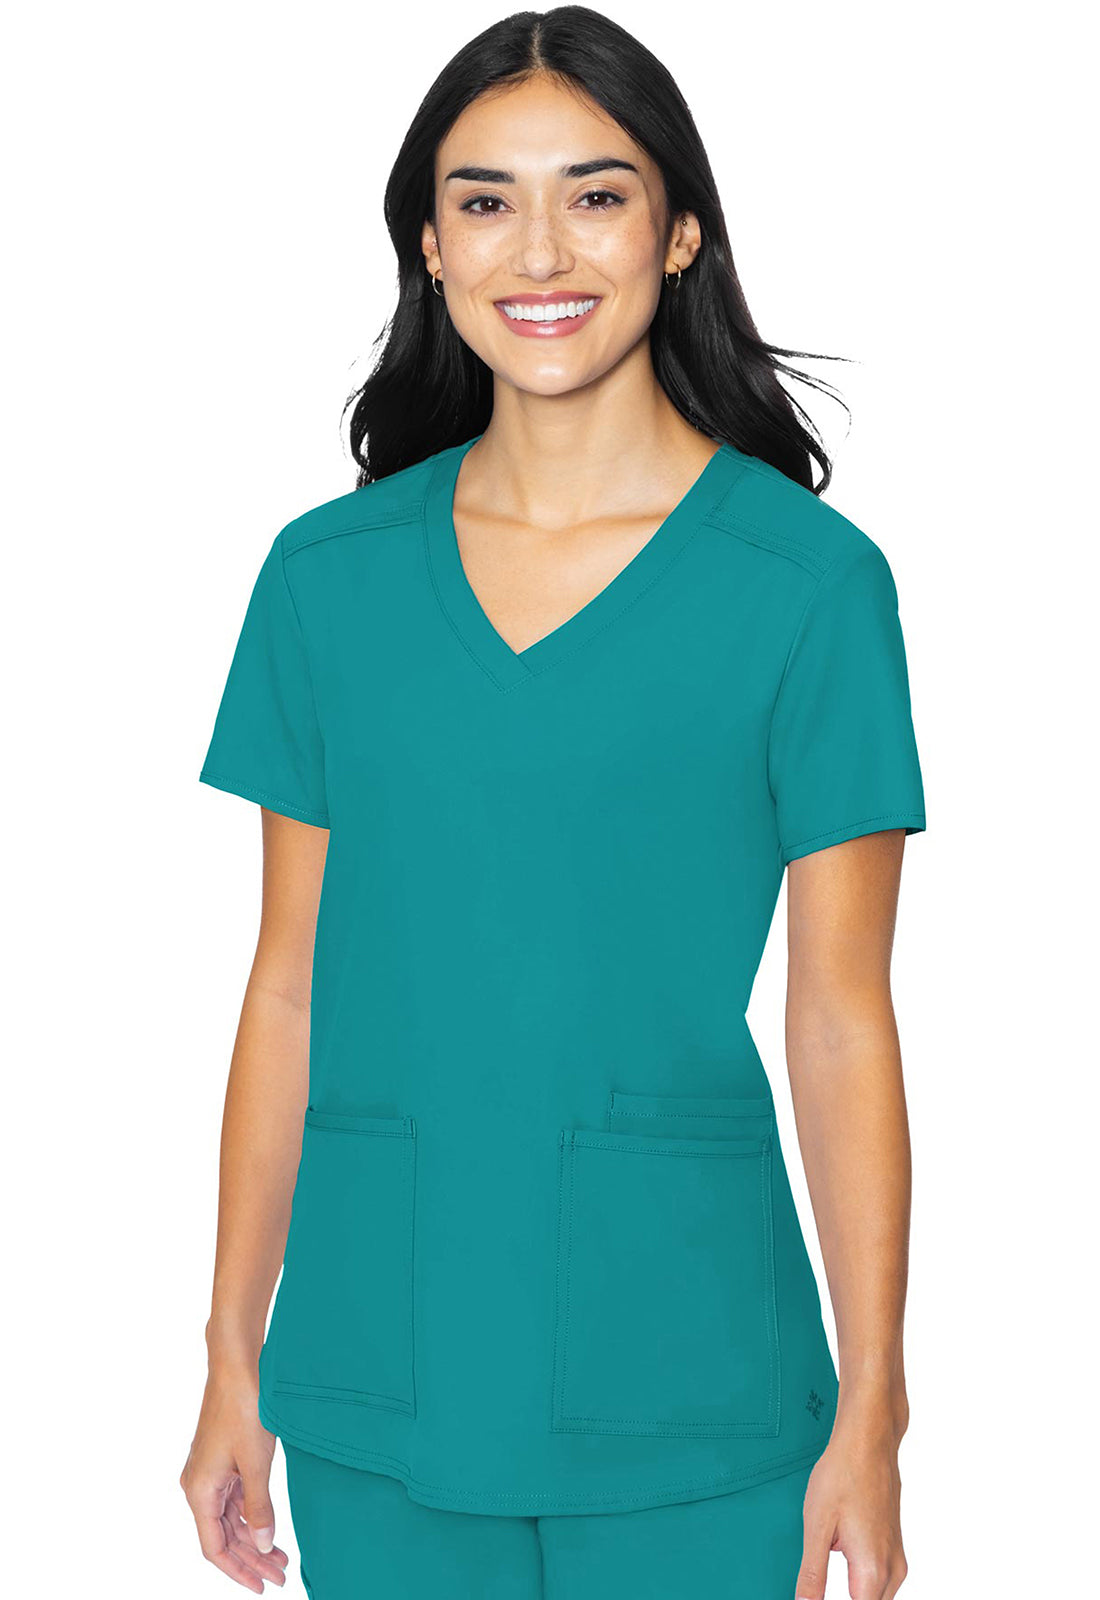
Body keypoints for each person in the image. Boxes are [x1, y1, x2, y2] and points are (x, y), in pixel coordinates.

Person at [179, 9, 926, 1598]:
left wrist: (876, 1403)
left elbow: (840, 1015)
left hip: (692, 1377)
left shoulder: (807, 588)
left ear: (679, 234)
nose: (540, 251)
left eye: (595, 195)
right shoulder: (326, 581)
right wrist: (230, 1352)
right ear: (430, 247)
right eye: (483, 200)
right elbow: (289, 982)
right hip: (382, 1359)